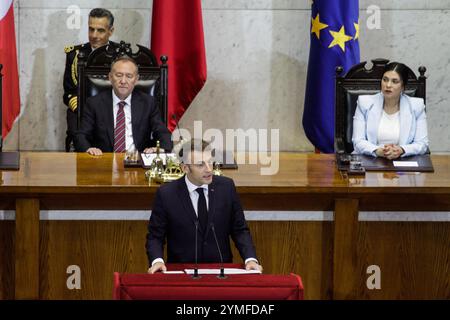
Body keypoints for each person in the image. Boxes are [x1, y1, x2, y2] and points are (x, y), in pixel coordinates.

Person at [146, 139, 262, 274]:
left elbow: (240, 230)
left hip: (220, 272)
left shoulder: (226, 187)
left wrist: (250, 259)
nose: (209, 169)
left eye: (210, 162)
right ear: (185, 168)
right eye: (200, 165)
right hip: (182, 273)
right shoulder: (167, 194)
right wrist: (157, 260)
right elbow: (155, 236)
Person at [74, 55, 172, 155]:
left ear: (136, 79)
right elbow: (81, 136)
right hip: (104, 161)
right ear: (110, 77)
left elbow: (162, 133)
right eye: (119, 75)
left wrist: (161, 149)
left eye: (129, 76)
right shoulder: (94, 103)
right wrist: (88, 149)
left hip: (137, 161)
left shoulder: (148, 103)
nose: (123, 81)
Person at [63, 8, 118, 152]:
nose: (94, 35)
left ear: (111, 31)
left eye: (100, 30)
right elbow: (68, 93)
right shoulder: (74, 55)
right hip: (83, 111)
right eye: (91, 29)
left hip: (114, 110)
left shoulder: (120, 54)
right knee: (77, 131)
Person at [352, 62, 429, 159]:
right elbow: (358, 141)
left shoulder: (416, 106)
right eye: (385, 80)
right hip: (370, 159)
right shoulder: (365, 103)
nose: (388, 85)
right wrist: (379, 151)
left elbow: (422, 144)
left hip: (402, 163)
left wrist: (401, 150)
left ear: (403, 86)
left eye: (394, 81)